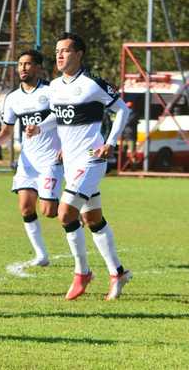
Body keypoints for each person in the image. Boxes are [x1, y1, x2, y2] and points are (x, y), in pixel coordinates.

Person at [27, 32, 131, 301]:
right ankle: (118, 272)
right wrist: (40, 126)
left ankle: (82, 272)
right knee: (93, 219)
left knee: (65, 213)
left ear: (79, 54)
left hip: (91, 158)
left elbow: (123, 110)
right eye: (57, 50)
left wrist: (110, 142)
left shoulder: (92, 83)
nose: (59, 55)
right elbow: (59, 116)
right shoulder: (55, 87)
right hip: (71, 163)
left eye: (65, 50)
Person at [0, 50, 63, 267]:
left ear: (38, 67)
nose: (23, 68)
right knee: (26, 208)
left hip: (50, 160)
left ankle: (76, 206)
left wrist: (64, 145)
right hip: (28, 162)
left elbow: (64, 118)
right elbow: (7, 132)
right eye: (20, 64)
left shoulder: (51, 92)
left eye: (28, 64)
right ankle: (41, 256)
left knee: (49, 211)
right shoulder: (12, 98)